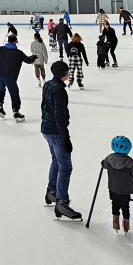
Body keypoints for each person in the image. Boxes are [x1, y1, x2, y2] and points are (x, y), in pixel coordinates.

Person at [41, 61, 82, 221]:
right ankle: (61, 202)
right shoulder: (59, 90)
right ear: (64, 73)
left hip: (46, 129)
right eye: (67, 71)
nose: (69, 73)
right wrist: (66, 138)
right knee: (65, 167)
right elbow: (59, 116)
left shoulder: (48, 84)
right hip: (56, 132)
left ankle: (52, 192)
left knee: (56, 161)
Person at [102, 136, 133, 234]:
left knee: (115, 204)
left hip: (113, 189)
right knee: (125, 206)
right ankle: (126, 224)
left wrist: (103, 162)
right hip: (125, 191)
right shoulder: (130, 163)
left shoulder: (109, 159)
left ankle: (115, 222)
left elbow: (104, 164)